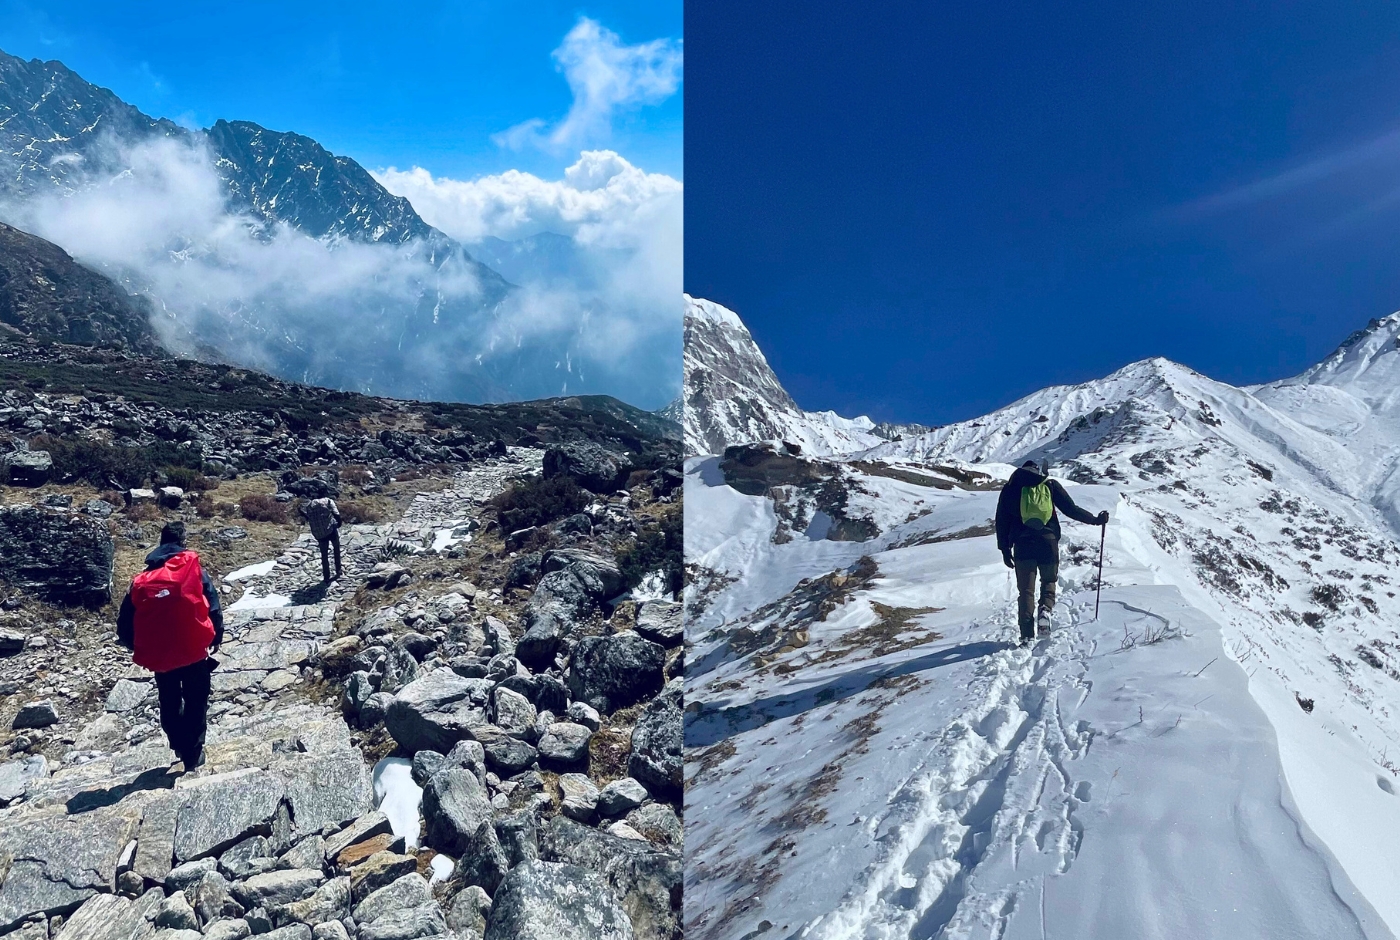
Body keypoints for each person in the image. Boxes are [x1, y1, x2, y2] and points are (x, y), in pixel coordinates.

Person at [116, 521, 222, 770]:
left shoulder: (142, 580)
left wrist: (139, 647)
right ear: (183, 542)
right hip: (194, 648)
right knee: (197, 699)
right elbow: (213, 604)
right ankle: (193, 753)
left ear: (161, 543)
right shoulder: (193, 570)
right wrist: (215, 636)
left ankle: (177, 742)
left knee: (169, 700)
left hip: (161, 655)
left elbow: (125, 623)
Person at [994, 459, 1108, 644]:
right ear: (1037, 470)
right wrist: (1096, 520)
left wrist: (1004, 549)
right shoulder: (1049, 485)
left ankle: (1026, 635)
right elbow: (1072, 509)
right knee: (1048, 580)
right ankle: (1045, 610)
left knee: (1026, 591)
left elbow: (1001, 521)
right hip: (1048, 543)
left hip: (1022, 545)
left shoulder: (1011, 488)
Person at [303, 496, 342, 582]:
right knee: (336, 549)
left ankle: (326, 576)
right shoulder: (328, 501)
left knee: (324, 555)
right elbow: (336, 513)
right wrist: (339, 523)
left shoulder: (309, 505)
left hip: (319, 534)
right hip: (331, 530)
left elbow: (307, 516)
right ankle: (338, 570)